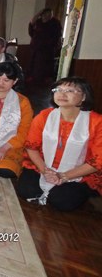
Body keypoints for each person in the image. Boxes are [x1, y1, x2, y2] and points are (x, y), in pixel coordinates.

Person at [18, 77, 102, 211]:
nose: (62, 94)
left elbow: (97, 161)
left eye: (70, 90)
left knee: (62, 201)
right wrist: (45, 170)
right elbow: (31, 147)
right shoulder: (44, 116)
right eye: (58, 90)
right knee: (26, 190)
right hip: (43, 166)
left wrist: (64, 176)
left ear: (84, 97)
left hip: (78, 173)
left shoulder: (97, 122)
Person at [28, 8, 62, 84]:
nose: (48, 16)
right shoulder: (38, 22)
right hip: (36, 47)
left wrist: (59, 44)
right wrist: (39, 12)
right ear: (42, 15)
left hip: (48, 48)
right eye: (46, 14)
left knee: (47, 64)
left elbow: (58, 35)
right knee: (34, 63)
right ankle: (33, 78)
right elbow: (31, 24)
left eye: (50, 14)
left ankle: (47, 79)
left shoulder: (55, 23)